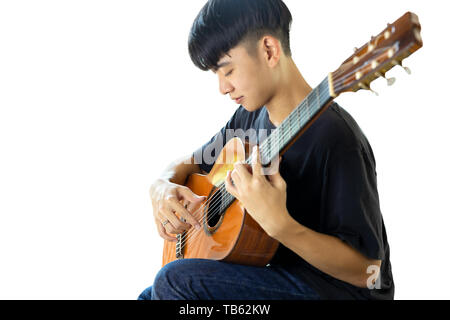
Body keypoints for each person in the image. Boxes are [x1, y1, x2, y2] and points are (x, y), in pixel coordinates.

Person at [138, 0, 394, 300]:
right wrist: (161, 185)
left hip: (334, 293)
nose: (222, 88)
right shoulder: (250, 117)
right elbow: (193, 163)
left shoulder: (336, 138)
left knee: (174, 282)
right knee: (151, 294)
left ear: (269, 50)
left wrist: (280, 225)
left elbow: (371, 273)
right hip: (277, 276)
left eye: (228, 70)